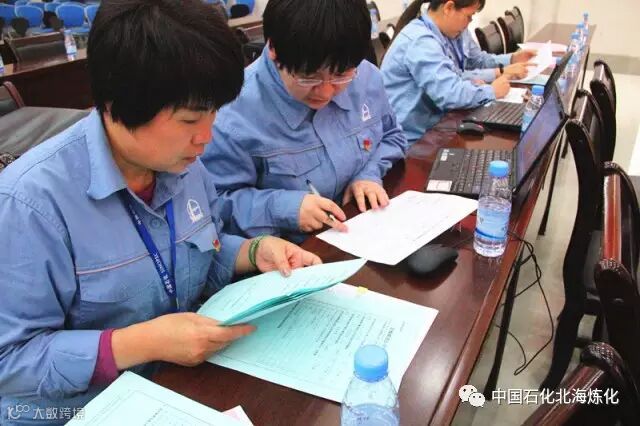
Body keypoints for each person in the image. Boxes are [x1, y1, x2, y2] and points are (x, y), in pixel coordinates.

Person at [0, 1, 320, 424]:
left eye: (214, 114)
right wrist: (140, 343)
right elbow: (10, 362)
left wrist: (253, 251)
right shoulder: (29, 204)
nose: (206, 136)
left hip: (178, 385)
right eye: (190, 120)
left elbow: (196, 251)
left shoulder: (183, 166)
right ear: (121, 101)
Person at [201, 0, 409, 243]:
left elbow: (392, 135)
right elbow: (213, 203)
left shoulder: (366, 78)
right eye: (309, 78)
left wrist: (368, 174)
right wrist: (284, 208)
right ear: (273, 49)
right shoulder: (231, 115)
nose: (326, 92)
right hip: (293, 254)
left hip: (367, 231)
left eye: (340, 76)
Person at [380, 0, 536, 142]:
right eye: (468, 16)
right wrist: (491, 91)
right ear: (449, 7)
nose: (470, 22)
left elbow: (466, 67)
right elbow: (449, 93)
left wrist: (510, 59)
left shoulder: (448, 30)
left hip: (438, 124)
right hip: (412, 141)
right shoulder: (421, 42)